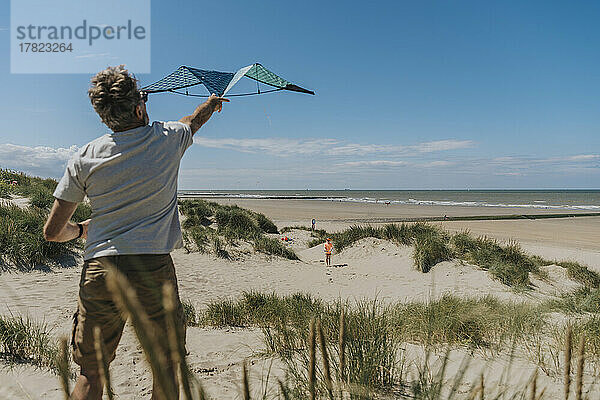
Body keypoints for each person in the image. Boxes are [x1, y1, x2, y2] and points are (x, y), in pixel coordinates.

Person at [43, 65, 228, 400]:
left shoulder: (84, 157)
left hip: (100, 269)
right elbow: (195, 120)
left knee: (91, 373)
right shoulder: (168, 139)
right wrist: (212, 103)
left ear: (103, 116)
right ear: (140, 107)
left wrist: (82, 229)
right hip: (152, 269)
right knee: (166, 367)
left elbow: (53, 232)